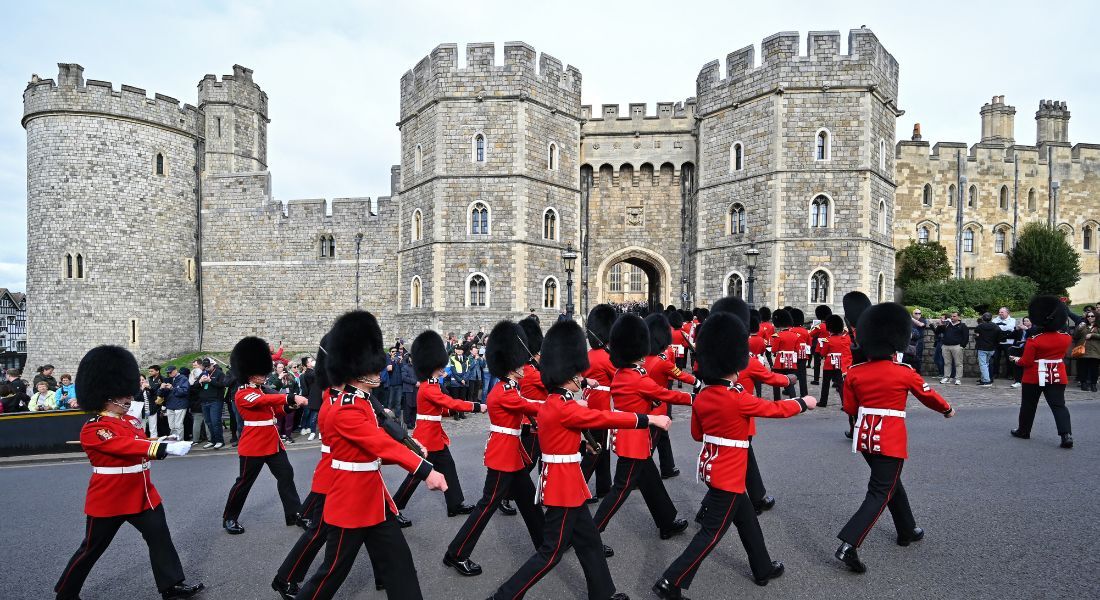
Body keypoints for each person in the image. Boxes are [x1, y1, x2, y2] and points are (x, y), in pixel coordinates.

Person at [488, 319, 670, 600]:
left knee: (589, 543)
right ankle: (504, 596)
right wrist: (650, 419)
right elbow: (607, 416)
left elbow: (566, 428)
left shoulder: (553, 403)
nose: (579, 378)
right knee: (550, 554)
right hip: (563, 489)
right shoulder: (565, 408)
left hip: (568, 483)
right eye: (577, 375)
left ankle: (603, 594)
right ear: (570, 375)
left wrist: (581, 436)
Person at [653, 312, 815, 599]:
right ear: (734, 362)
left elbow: (696, 435)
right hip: (729, 473)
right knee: (711, 534)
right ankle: (671, 581)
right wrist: (803, 402)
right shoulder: (736, 396)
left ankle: (762, 567)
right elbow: (775, 410)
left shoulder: (703, 396)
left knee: (747, 519)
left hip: (714, 466)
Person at [295, 311, 446, 600]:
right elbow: (379, 443)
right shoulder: (346, 407)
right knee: (330, 574)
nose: (379, 370)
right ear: (356, 368)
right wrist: (424, 469)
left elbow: (370, 452)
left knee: (400, 567)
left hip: (374, 502)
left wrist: (409, 448)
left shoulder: (361, 402)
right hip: (351, 502)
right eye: (373, 367)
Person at [54, 345, 203, 600]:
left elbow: (140, 442)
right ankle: (66, 592)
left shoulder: (130, 421)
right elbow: (125, 446)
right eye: (121, 396)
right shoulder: (94, 428)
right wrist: (162, 447)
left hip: (143, 494)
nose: (127, 399)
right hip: (111, 498)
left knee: (160, 538)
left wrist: (161, 439)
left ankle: (171, 586)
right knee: (91, 548)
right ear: (104, 397)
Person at [835, 302, 955, 574]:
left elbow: (850, 409)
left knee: (890, 484)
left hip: (865, 437)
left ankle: (907, 529)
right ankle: (848, 544)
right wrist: (947, 409)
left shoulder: (855, 373)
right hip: (889, 438)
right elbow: (928, 396)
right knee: (880, 491)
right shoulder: (904, 372)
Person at [443, 320, 545, 577]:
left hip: (513, 453)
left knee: (528, 500)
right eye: (519, 362)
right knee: (487, 505)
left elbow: (527, 405)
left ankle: (546, 544)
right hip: (503, 455)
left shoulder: (510, 387)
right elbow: (532, 406)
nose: (524, 366)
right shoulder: (503, 392)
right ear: (511, 365)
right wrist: (564, 407)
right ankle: (457, 553)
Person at [593, 313, 692, 541]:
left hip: (631, 437)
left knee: (651, 480)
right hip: (634, 442)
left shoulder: (622, 373)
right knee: (619, 490)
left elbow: (645, 398)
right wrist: (696, 398)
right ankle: (592, 532)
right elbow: (665, 394)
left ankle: (666, 521)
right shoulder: (638, 377)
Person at [391, 330, 482, 524]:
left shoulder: (432, 385)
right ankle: (394, 509)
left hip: (436, 437)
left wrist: (450, 412)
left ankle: (455, 504)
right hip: (426, 438)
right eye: (440, 366)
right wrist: (476, 406)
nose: (443, 369)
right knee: (415, 476)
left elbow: (439, 409)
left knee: (448, 467)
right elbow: (449, 402)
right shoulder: (428, 387)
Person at [222, 336, 309, 535]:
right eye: (258, 373)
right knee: (244, 482)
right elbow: (263, 401)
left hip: (273, 443)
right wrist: (289, 396)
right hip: (253, 445)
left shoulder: (262, 390)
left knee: (286, 475)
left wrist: (290, 406)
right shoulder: (242, 393)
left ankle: (294, 514)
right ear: (248, 374)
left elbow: (276, 411)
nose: (263, 375)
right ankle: (229, 517)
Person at [1010, 295, 1075, 448]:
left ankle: (1024, 431)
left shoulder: (1034, 340)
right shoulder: (1065, 338)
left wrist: (1015, 360)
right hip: (1057, 376)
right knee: (1059, 405)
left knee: (1028, 405)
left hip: (1034, 377)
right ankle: (1066, 435)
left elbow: (1026, 361)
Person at [644, 313, 702, 479]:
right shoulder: (660, 361)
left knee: (662, 437)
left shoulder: (643, 359)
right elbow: (680, 374)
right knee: (649, 447)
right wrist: (696, 382)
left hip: (646, 404)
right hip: (659, 405)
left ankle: (668, 467)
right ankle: (637, 475)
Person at [581, 304, 617, 502]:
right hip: (601, 405)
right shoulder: (607, 358)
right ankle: (578, 488)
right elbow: (618, 378)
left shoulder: (588, 356)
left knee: (600, 447)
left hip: (590, 400)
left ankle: (604, 486)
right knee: (595, 449)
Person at [817, 314, 853, 408]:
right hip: (840, 364)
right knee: (841, 385)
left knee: (825, 384)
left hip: (829, 365)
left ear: (830, 328)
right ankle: (844, 404)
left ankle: (823, 402)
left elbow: (823, 353)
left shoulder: (827, 340)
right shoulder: (845, 339)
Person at [769, 309, 799, 399]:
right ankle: (793, 399)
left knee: (776, 382)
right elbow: (797, 350)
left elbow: (774, 350)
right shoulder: (795, 335)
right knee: (790, 382)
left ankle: (777, 400)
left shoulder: (778, 336)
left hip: (780, 363)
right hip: (791, 362)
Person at [196, 358, 226, 449]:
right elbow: (195, 387)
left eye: (208, 366)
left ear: (213, 365)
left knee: (215, 422)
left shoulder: (219, 373)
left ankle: (219, 441)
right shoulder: (203, 373)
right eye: (205, 366)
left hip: (215, 401)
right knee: (208, 422)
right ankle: (212, 440)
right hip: (204, 401)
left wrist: (210, 381)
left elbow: (222, 385)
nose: (207, 368)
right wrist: (200, 382)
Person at [936, 312, 968, 385]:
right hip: (946, 346)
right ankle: (946, 377)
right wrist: (940, 325)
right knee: (947, 363)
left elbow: (966, 337)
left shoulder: (962, 325)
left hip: (957, 346)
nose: (952, 318)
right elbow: (937, 332)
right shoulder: (947, 325)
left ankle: (958, 379)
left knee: (958, 363)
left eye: (954, 316)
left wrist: (962, 346)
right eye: (951, 316)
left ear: (959, 317)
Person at [1073, 311, 1100, 392]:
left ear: (1096, 317)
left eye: (1092, 316)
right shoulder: (1083, 326)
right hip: (1083, 351)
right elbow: (1075, 336)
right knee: (1083, 368)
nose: (1090, 318)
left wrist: (1093, 335)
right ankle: (1083, 384)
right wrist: (1079, 328)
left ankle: (1093, 384)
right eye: (1088, 316)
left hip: (1095, 351)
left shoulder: (1098, 326)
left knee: (1094, 369)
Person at [974, 313, 1001, 387]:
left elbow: (976, 334)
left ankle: (986, 381)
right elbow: (999, 337)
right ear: (991, 318)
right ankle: (983, 379)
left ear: (983, 318)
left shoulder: (980, 326)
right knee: (986, 364)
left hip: (982, 347)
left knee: (983, 364)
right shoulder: (996, 327)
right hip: (991, 348)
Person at [991, 306, 1016, 381]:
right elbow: (994, 328)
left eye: (1002, 312)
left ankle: (1010, 374)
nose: (1000, 313)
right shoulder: (995, 319)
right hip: (997, 342)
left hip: (1008, 342)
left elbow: (1010, 328)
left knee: (1009, 359)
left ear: (1007, 313)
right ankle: (995, 374)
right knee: (995, 359)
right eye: (999, 312)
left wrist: (999, 327)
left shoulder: (1012, 320)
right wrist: (1004, 328)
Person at [810, 305, 832, 384]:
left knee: (817, 364)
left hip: (820, 347)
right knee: (831, 363)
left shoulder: (820, 326)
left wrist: (813, 328)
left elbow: (811, 334)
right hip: (830, 346)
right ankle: (835, 381)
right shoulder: (831, 325)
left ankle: (816, 380)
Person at [909, 308, 929, 374]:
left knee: (918, 357)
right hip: (910, 342)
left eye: (919, 313)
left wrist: (912, 318)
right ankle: (910, 372)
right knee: (909, 357)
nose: (918, 315)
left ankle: (917, 373)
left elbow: (920, 324)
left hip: (919, 341)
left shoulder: (922, 320)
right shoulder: (909, 321)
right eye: (916, 313)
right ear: (913, 314)